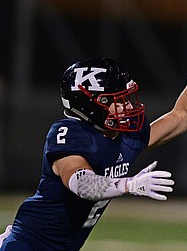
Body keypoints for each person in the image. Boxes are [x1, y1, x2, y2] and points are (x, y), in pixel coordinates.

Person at [0, 57, 176, 251]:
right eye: (118, 100)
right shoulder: (70, 134)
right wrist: (129, 184)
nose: (127, 106)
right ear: (92, 106)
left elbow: (181, 116)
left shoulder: (124, 137)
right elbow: (81, 182)